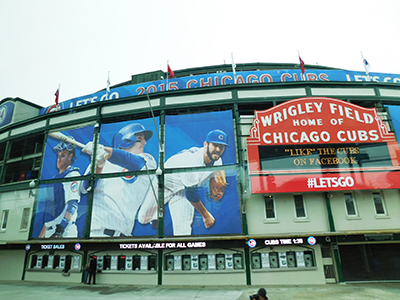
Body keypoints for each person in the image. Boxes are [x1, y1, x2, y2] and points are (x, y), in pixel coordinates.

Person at [139, 129, 228, 236]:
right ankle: (155, 216)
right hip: (164, 184)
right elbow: (191, 193)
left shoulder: (217, 160)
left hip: (182, 190)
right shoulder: (193, 162)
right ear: (206, 144)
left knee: (183, 231)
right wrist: (205, 215)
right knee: (143, 219)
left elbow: (212, 177)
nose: (218, 149)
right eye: (215, 145)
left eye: (221, 147)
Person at [82, 123, 158, 237]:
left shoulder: (147, 160)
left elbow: (130, 160)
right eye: (140, 139)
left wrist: (104, 150)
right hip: (96, 234)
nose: (144, 142)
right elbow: (85, 188)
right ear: (127, 140)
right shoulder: (99, 159)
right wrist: (99, 165)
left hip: (124, 237)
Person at [38, 137, 80, 238]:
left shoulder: (72, 175)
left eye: (63, 156)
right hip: (50, 231)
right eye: (58, 156)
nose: (59, 159)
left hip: (64, 231)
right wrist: (40, 237)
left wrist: (60, 230)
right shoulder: (55, 179)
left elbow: (72, 204)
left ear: (70, 157)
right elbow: (50, 211)